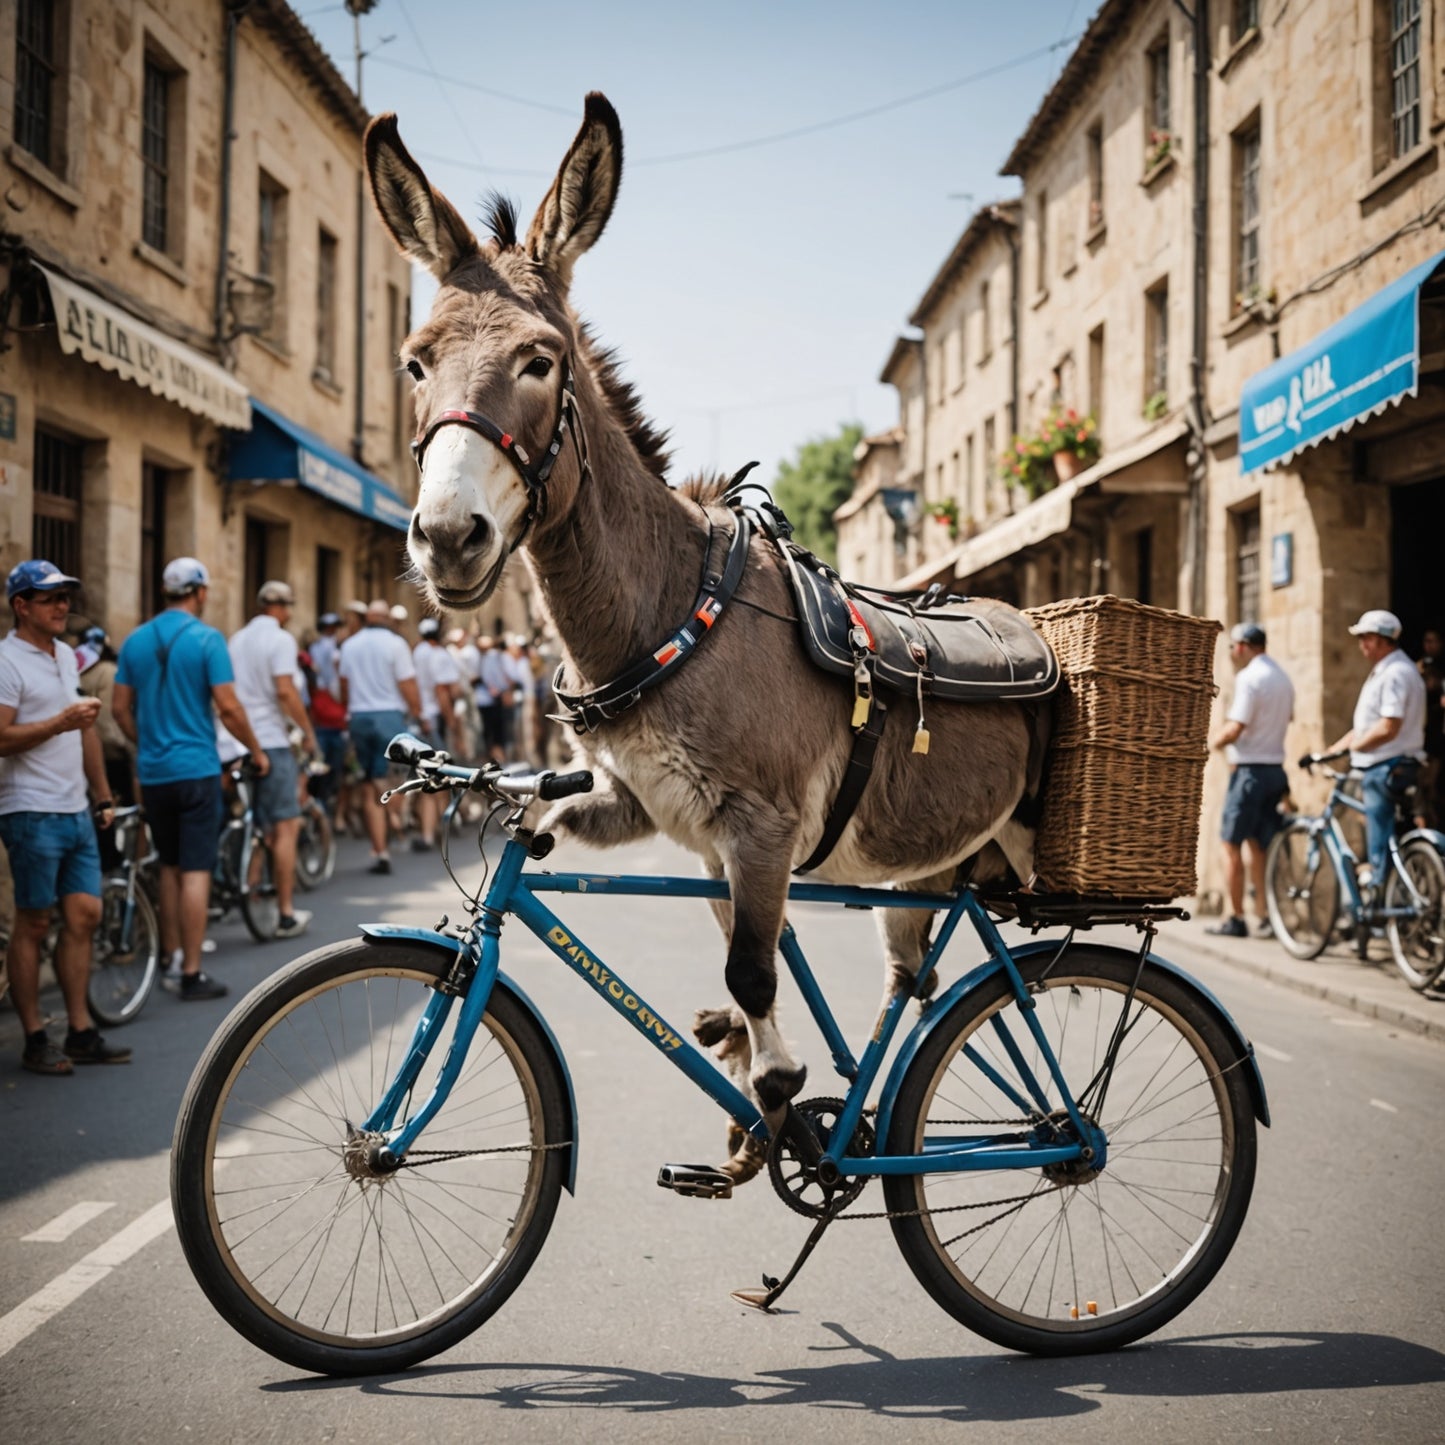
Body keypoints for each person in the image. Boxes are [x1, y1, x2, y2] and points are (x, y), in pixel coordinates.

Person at [113, 558, 269, 1001]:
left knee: (169, 864)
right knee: (196, 868)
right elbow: (230, 707)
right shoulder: (206, 639)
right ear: (198, 592)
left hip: (155, 771)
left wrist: (147, 743)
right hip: (196, 769)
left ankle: (169, 955)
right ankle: (192, 971)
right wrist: (256, 751)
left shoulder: (136, 640)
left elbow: (120, 708)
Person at [0, 560, 129, 1074]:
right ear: (21, 605)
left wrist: (101, 795)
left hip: (75, 807)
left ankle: (79, 1030)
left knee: (84, 915)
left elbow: (86, 731)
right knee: (33, 922)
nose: (62, 606)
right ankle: (35, 1036)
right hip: (29, 809)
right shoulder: (7, 660)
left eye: (65, 597)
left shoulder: (62, 656)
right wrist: (60, 722)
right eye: (50, 598)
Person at [227, 581, 318, 939]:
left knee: (259, 824)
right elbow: (284, 690)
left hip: (241, 740)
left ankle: (251, 891)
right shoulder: (280, 639)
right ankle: (284, 912)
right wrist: (307, 732)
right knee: (285, 827)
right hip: (271, 740)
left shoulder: (237, 639)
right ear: (282, 607)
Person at [1321, 609, 1427, 897]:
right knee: (1379, 828)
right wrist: (1335, 749)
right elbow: (1367, 726)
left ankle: (1379, 893)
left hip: (1386, 764)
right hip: (1389, 762)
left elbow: (1388, 727)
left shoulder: (1395, 673)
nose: (1362, 645)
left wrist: (1355, 747)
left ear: (1383, 640)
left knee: (1378, 837)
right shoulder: (1390, 670)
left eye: (1366, 638)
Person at [1207, 623, 1295, 938]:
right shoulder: (1282, 678)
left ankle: (1236, 917)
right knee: (1259, 846)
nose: (1231, 653)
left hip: (1248, 773)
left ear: (1243, 646)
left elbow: (1236, 727)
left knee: (1230, 845)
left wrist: (1211, 743)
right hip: (1275, 770)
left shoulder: (1249, 678)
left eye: (1233, 647)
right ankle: (1265, 915)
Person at [339, 599, 421, 874]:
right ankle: (395, 822)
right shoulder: (396, 644)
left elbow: (344, 687)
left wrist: (352, 712)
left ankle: (380, 849)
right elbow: (407, 684)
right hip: (388, 717)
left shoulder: (349, 645)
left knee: (367, 786)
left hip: (359, 717)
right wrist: (418, 712)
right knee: (392, 781)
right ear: (385, 619)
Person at [411, 617, 462, 849]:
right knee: (439, 776)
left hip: (419, 719)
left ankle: (434, 829)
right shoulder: (440, 655)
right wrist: (452, 723)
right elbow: (443, 691)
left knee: (427, 776)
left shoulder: (417, 652)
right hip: (435, 720)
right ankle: (440, 828)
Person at [307, 612, 347, 813]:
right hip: (329, 704)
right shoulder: (333, 649)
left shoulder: (315, 648)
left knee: (323, 761)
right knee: (333, 763)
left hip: (323, 705)